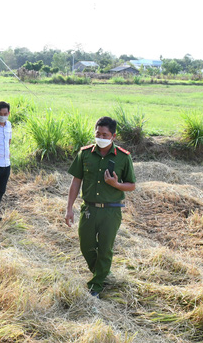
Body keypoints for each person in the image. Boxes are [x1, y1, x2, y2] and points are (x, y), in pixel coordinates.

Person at [65, 116, 136, 299]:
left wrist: (116, 184)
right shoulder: (85, 153)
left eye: (105, 134)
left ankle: (96, 285)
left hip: (111, 211)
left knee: (105, 248)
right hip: (89, 209)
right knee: (86, 245)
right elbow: (75, 182)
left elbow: (131, 185)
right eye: (98, 133)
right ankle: (102, 273)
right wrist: (69, 208)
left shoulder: (123, 157)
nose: (100, 137)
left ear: (113, 136)